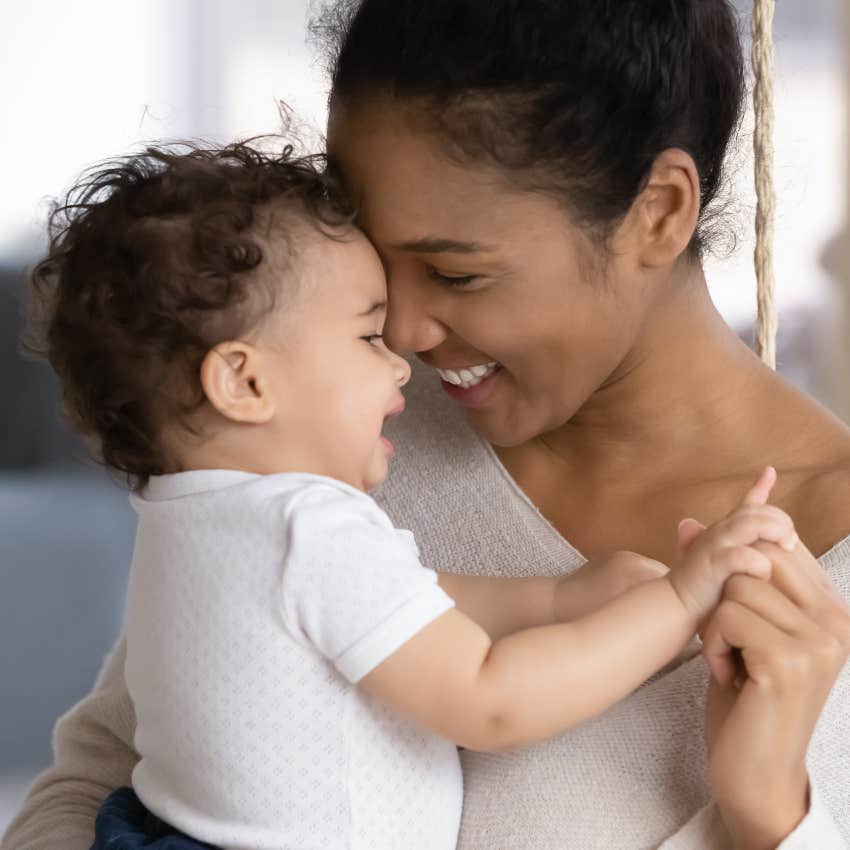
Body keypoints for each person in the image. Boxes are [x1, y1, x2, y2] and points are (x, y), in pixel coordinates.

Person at [3, 1, 850, 848]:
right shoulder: (322, 438)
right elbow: (100, 779)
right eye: (374, 263)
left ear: (659, 212)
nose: (403, 337)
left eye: (454, 272)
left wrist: (769, 817)